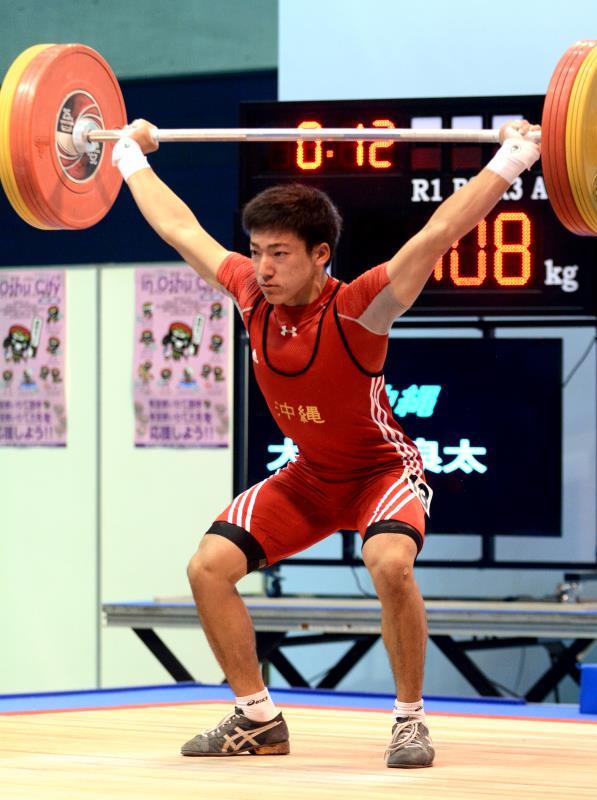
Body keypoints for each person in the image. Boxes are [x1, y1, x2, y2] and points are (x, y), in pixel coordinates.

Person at [112, 118, 540, 768]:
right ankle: (257, 718)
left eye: (279, 253)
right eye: (256, 250)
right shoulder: (249, 294)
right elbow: (179, 229)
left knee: (390, 564)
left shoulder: (361, 307)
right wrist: (126, 159)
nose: (262, 267)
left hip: (380, 473)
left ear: (320, 254)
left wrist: (513, 158)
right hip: (311, 478)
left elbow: (439, 234)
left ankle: (409, 722)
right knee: (207, 569)